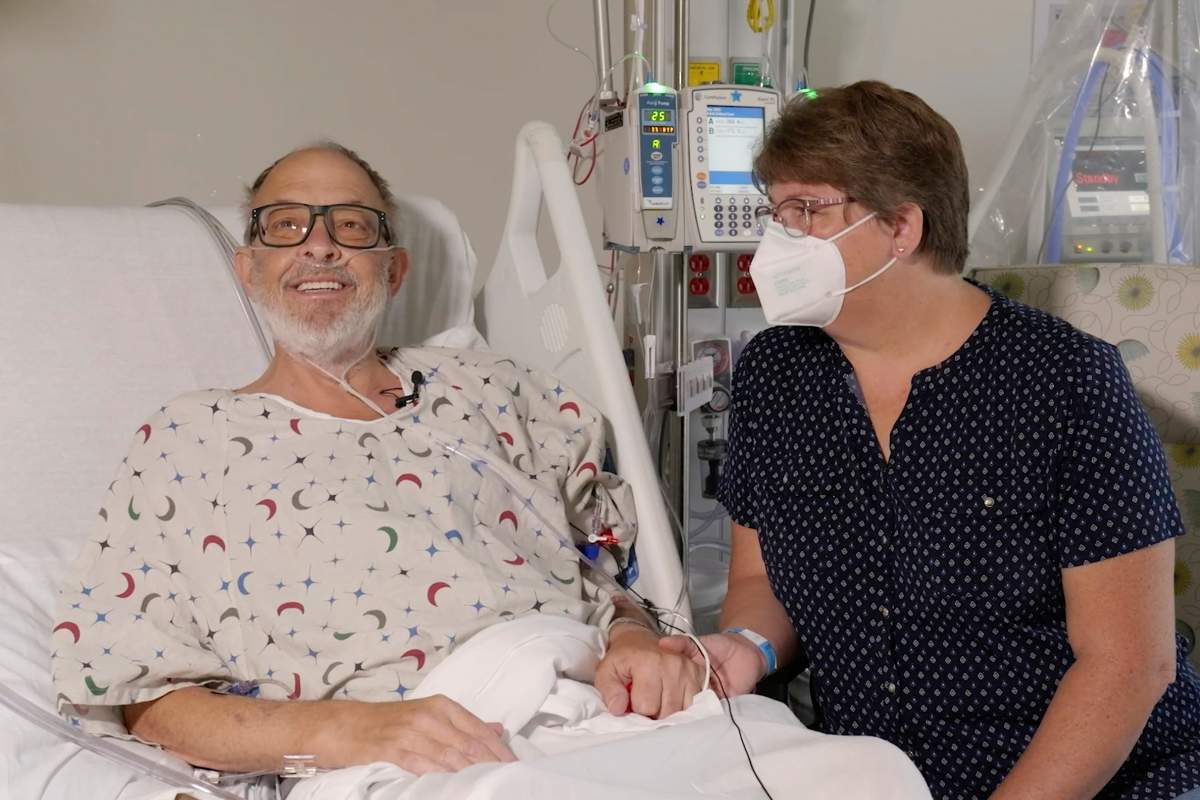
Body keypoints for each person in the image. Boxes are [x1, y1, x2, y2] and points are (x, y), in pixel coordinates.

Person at [49, 142, 703, 777]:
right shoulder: (190, 440)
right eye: (286, 225)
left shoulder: (496, 390)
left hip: (603, 707)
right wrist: (349, 730)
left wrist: (635, 640)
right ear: (248, 270)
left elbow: (608, 569)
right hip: (415, 765)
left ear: (393, 271)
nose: (319, 244)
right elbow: (144, 701)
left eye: (352, 225)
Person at [657, 81, 1200, 799]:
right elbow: (760, 582)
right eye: (775, 212)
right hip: (879, 778)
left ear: (902, 227)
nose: (775, 240)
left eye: (805, 211)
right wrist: (747, 648)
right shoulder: (777, 374)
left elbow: (1129, 665)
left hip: (1106, 779)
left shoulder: (1065, 383)